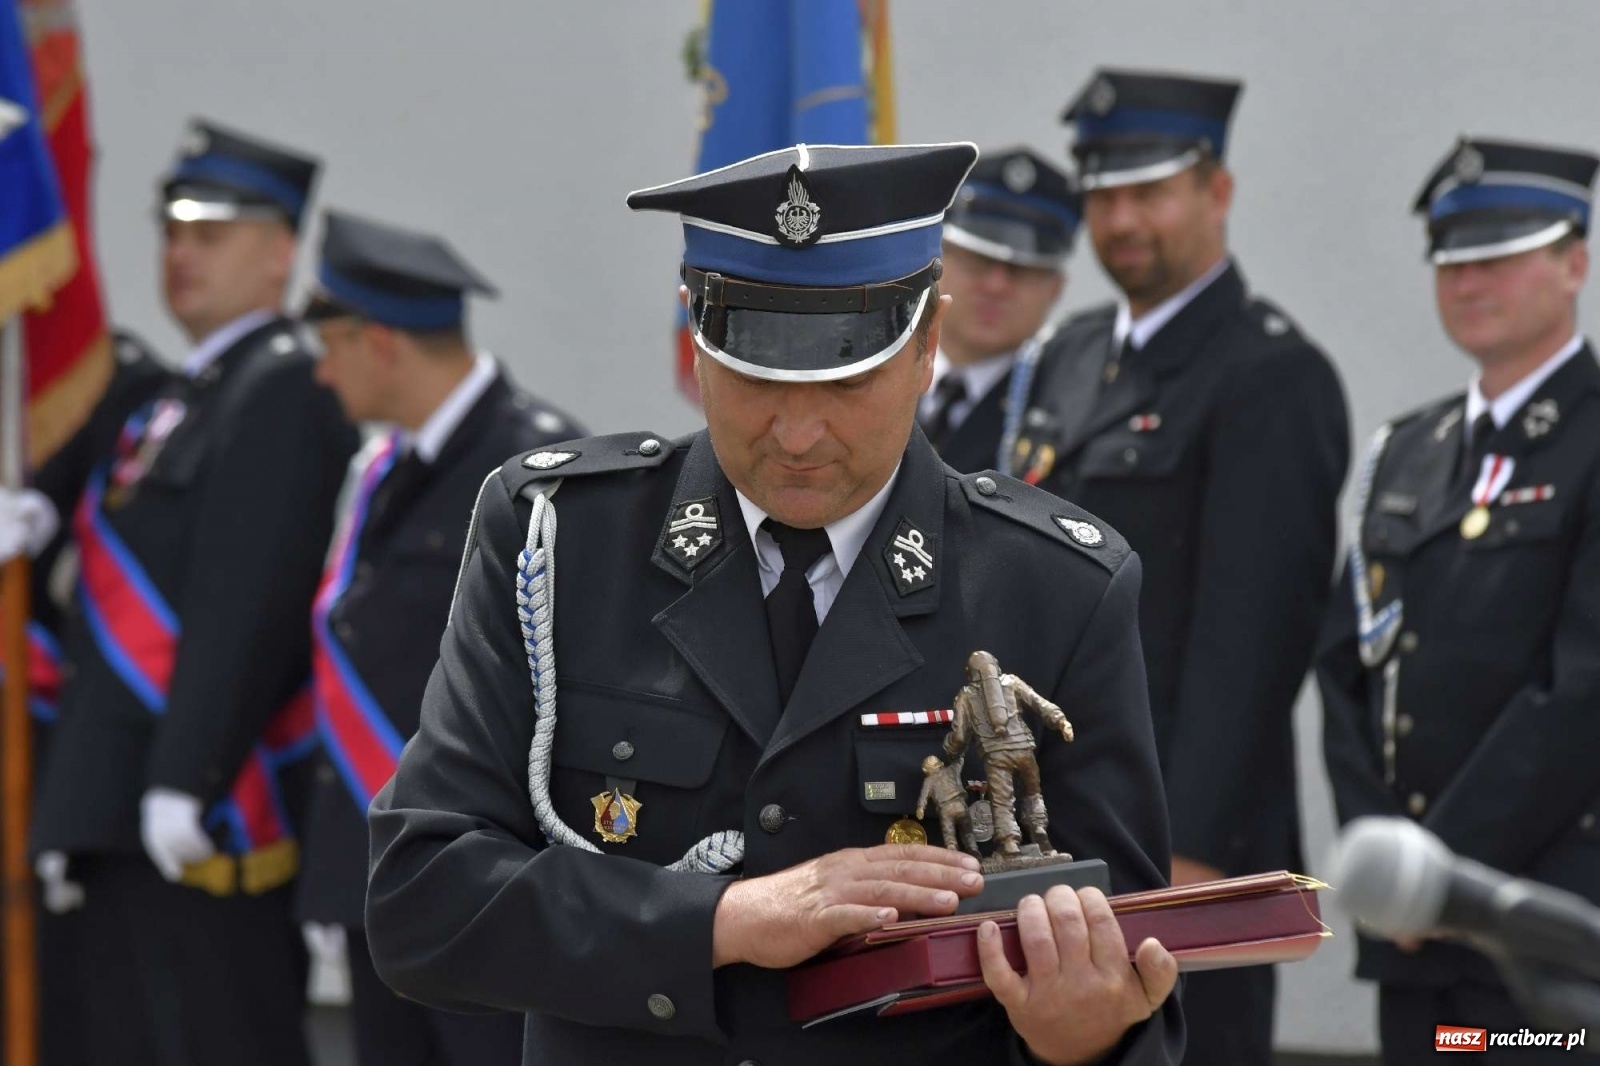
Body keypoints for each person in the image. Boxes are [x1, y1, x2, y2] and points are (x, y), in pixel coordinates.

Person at [366, 141, 1184, 1065]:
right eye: (757, 378)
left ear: (927, 345)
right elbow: (420, 899)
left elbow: (1133, 969)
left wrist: (1080, 1037)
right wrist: (723, 920)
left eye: (846, 379)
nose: (798, 434)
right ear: (694, 338)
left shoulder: (1055, 588)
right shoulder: (559, 541)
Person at [1018, 69, 1351, 1066]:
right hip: (1056, 829)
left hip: (1180, 856)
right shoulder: (1070, 354)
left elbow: (1255, 642)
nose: (1122, 220)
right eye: (1103, 194)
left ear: (1217, 192)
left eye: (1149, 192)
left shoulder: (1269, 373)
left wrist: (1191, 850)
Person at [29, 118, 359, 1066]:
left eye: (210, 235)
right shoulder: (176, 396)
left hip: (207, 809)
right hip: (119, 800)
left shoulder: (285, 384)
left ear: (280, 253)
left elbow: (244, 602)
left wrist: (187, 779)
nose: (181, 255)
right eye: (172, 233)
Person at [1318, 136, 1600, 1065]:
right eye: (1451, 261)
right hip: (1413, 934)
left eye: (1499, 257)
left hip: (1542, 921)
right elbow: (1347, 667)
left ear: (1574, 264)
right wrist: (1387, 863)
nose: (1469, 282)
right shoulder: (1409, 450)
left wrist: (1443, 869)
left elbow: (1580, 692)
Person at [295, 208, 582, 1066]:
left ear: (379, 344)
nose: (321, 373)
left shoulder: (538, 470)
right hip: (384, 874)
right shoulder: (387, 470)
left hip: (482, 889)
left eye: (331, 346)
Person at [920, 146, 1078, 474]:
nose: (996, 286)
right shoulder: (880, 375)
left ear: (1056, 288)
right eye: (979, 260)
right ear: (935, 261)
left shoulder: (1068, 411)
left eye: (1021, 269)